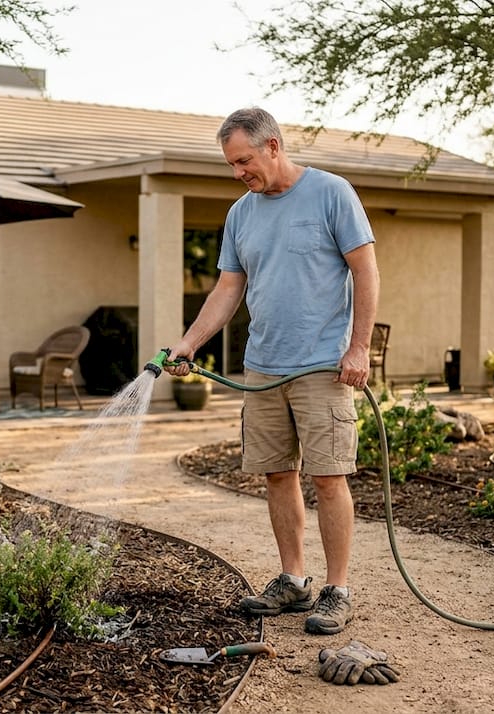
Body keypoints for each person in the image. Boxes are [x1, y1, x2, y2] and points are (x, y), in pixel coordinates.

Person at [166, 107, 380, 635]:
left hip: (323, 367)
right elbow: (228, 289)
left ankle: (337, 590)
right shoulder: (241, 214)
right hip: (263, 367)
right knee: (277, 474)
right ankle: (293, 579)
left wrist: (359, 348)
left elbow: (366, 271)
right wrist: (190, 342)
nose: (238, 172)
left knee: (328, 478)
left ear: (273, 147)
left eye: (244, 161)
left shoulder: (331, 193)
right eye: (231, 164)